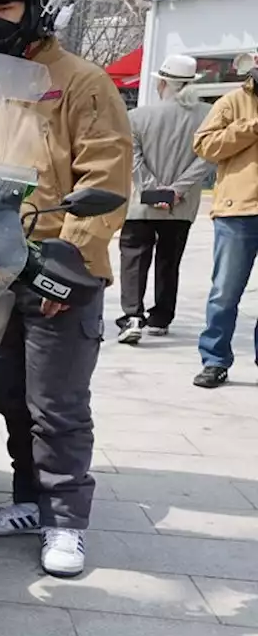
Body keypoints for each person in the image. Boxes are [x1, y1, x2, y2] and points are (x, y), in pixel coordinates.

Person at [0, 0, 132, 578]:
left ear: (39, 7)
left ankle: (66, 519)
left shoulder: (81, 82)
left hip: (55, 269)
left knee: (57, 404)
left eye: (5, 5)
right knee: (11, 396)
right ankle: (30, 501)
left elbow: (106, 174)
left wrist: (71, 264)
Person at [116, 54, 214, 345]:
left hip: (141, 205)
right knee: (169, 261)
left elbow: (133, 159)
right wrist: (176, 191)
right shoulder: (209, 116)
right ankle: (161, 317)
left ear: (163, 83)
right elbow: (207, 158)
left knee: (134, 258)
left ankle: (132, 316)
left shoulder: (137, 117)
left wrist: (154, 190)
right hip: (180, 207)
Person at [190, 54, 258, 388]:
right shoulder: (233, 102)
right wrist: (252, 127)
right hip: (238, 212)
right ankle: (215, 359)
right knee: (224, 293)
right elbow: (204, 145)